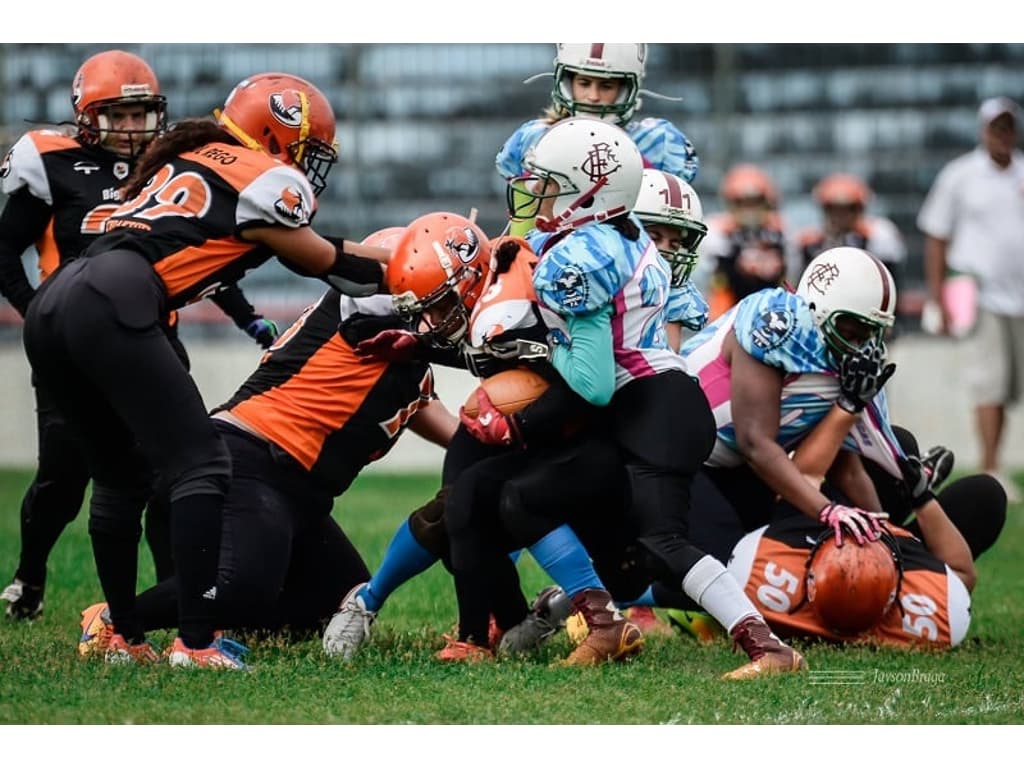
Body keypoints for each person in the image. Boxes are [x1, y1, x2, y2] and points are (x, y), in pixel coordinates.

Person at [21, 71, 391, 668]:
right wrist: (413, 265)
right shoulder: (264, 178)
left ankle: (123, 635)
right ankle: (195, 643)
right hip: (117, 297)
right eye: (306, 150)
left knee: (118, 477)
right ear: (279, 135)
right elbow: (330, 264)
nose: (308, 164)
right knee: (202, 462)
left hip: (59, 298)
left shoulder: (191, 153)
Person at [77, 227, 461, 663]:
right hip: (247, 461)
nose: (448, 306)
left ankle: (216, 614)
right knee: (245, 587)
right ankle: (114, 618)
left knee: (336, 604)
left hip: (294, 492)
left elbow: (428, 412)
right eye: (437, 293)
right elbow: (382, 309)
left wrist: (498, 439)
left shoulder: (405, 361)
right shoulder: (367, 319)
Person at [514, 115, 806, 679]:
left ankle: (767, 648)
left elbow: (601, 376)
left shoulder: (597, 255)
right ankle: (599, 618)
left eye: (553, 184)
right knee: (528, 499)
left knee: (662, 541)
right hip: (648, 411)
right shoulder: (610, 247)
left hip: (655, 409)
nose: (542, 197)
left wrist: (540, 347)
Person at [0, 50, 279, 620]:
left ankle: (171, 594)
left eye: (141, 114)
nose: (131, 128)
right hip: (74, 339)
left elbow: (199, 251)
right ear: (85, 114)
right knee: (64, 476)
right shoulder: (51, 161)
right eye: (117, 116)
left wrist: (246, 315)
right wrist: (36, 313)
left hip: (151, 332)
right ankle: (30, 575)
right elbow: (6, 249)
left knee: (173, 471)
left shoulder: (170, 163)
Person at [917, 96, 1024, 503]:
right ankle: (992, 466)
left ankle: (995, 462)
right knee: (990, 383)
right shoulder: (961, 175)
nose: (1003, 134)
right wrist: (938, 296)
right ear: (984, 130)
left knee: (1008, 388)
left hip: (1019, 296)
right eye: (996, 127)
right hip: (978, 293)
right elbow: (936, 236)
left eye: (1008, 126)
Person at [498, 43, 699, 238]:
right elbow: (522, 236)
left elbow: (675, 234)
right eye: (584, 83)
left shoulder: (656, 143)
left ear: (625, 88)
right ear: (568, 82)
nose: (593, 96)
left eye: (606, 85)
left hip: (629, 261)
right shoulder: (535, 138)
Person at [795, 172, 906, 329]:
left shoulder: (878, 235)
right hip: (823, 313)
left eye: (848, 209)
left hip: (866, 311)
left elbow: (890, 281)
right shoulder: (809, 241)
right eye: (834, 209)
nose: (841, 215)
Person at [697, 163, 789, 321]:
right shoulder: (716, 232)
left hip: (770, 315)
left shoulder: (780, 232)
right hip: (726, 316)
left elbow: (788, 278)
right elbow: (708, 281)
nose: (749, 210)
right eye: (742, 202)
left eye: (755, 202)